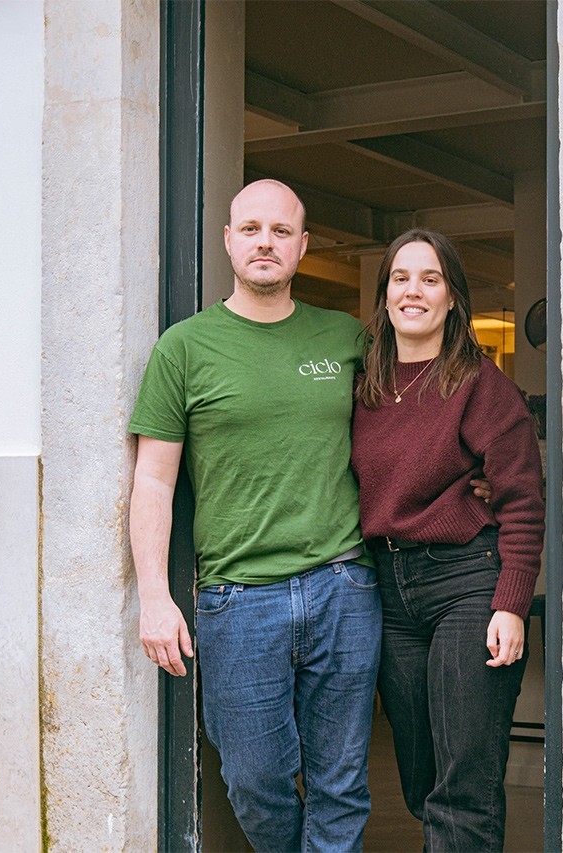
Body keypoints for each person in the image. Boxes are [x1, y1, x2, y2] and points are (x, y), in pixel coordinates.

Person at [127, 179, 382, 852]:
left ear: (302, 245)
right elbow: (153, 479)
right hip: (238, 601)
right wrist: (154, 596)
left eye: (279, 230)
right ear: (229, 240)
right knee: (252, 775)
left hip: (344, 585)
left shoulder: (346, 337)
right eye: (250, 229)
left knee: (341, 782)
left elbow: (403, 433)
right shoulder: (184, 348)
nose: (264, 242)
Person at [351, 228, 545, 851]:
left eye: (430, 279)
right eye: (401, 278)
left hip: (466, 581)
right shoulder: (362, 385)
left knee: (464, 784)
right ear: (383, 295)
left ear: (452, 298)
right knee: (421, 779)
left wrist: (510, 603)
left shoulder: (482, 387)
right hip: (388, 587)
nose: (414, 291)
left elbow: (521, 500)